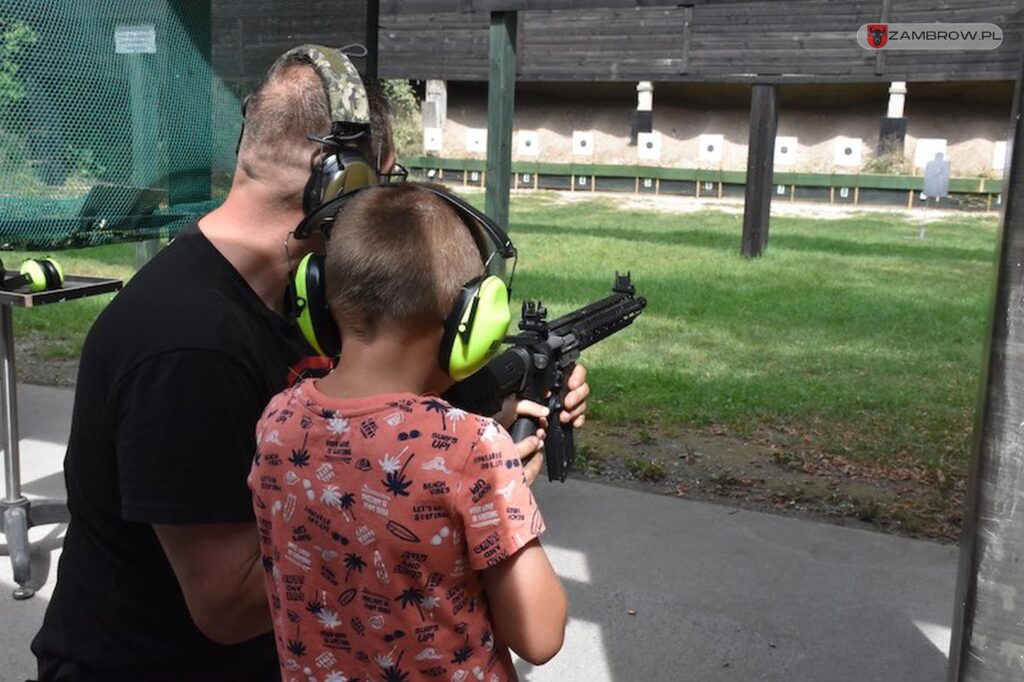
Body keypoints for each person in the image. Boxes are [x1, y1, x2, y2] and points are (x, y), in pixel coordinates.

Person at [30, 46, 589, 681]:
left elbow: (365, 415)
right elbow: (226, 607)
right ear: (343, 184)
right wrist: (452, 511)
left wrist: (500, 401)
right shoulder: (187, 345)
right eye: (388, 178)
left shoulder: (309, 304)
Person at [249, 182, 568, 682]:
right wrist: (504, 502)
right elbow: (541, 634)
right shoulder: (475, 449)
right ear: (473, 319)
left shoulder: (277, 421)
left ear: (319, 300)